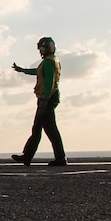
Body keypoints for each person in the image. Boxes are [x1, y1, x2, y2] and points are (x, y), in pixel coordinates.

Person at [11, 37, 67, 166]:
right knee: (44, 130)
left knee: (44, 130)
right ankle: (30, 156)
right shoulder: (53, 60)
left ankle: (58, 158)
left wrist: (45, 100)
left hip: (46, 99)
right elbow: (39, 72)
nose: (40, 51)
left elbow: (49, 82)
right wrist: (23, 70)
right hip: (49, 98)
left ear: (45, 48)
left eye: (41, 48)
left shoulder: (48, 62)